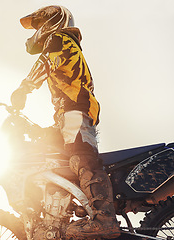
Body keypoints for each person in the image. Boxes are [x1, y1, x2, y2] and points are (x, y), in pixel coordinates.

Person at [10, 6, 121, 239]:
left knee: (82, 158)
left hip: (75, 110)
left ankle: (104, 218)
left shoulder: (59, 39)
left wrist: (24, 88)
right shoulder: (65, 43)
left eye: (40, 24)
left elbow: (46, 63)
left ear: (52, 21)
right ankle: (57, 213)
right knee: (49, 154)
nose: (38, 31)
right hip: (67, 113)